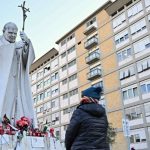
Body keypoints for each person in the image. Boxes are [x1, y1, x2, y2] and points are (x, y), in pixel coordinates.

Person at [0, 22, 37, 127]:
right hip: (3, 81)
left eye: (15, 34)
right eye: (10, 32)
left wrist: (27, 44)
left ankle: (11, 124)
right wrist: (14, 46)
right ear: (4, 31)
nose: (12, 35)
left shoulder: (17, 45)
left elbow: (26, 61)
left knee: (14, 102)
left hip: (15, 79)